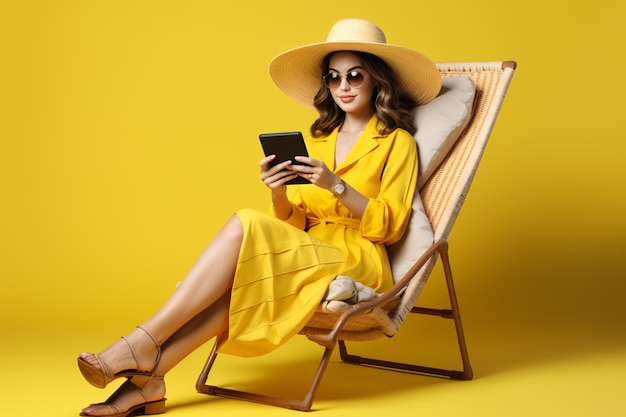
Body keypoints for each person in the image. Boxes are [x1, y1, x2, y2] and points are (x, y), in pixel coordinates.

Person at [76, 18, 441, 417]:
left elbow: (391, 225)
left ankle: (139, 343)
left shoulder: (397, 141)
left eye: (356, 75)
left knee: (246, 222)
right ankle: (149, 381)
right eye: (333, 78)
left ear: (376, 80)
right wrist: (278, 191)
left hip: (356, 257)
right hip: (310, 248)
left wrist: (336, 185)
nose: (344, 87)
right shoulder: (319, 137)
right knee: (241, 275)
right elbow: (294, 225)